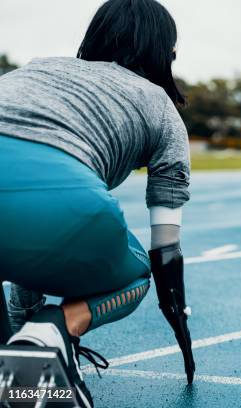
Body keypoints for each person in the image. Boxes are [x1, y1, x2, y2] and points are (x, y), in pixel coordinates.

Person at [0, 0, 195, 406]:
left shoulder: (35, 68)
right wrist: (176, 312)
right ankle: (57, 330)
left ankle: (24, 372)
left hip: (29, 215)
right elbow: (165, 249)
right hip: (58, 207)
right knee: (136, 273)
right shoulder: (159, 105)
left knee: (12, 354)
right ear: (165, 52)